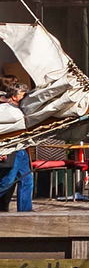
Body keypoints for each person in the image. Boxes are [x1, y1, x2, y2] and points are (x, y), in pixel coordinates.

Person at [0, 83, 32, 212]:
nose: (25, 98)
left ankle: (25, 212)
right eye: (23, 95)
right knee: (8, 181)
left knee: (27, 180)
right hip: (11, 149)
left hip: (21, 148)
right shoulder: (6, 111)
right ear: (14, 96)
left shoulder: (19, 110)